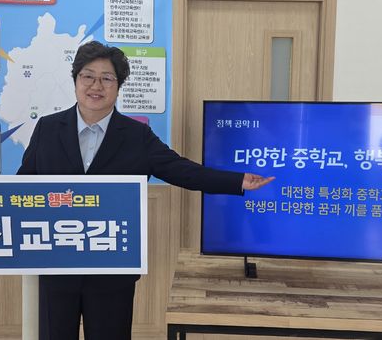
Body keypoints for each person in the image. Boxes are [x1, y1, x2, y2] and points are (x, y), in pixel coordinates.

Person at [18, 40, 274, 340]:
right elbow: (22, 186)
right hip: (58, 263)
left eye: (107, 78)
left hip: (112, 268)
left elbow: (182, 170)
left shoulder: (136, 136)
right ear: (76, 80)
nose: (96, 85)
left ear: (118, 86)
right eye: (88, 76)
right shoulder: (48, 129)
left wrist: (236, 181)